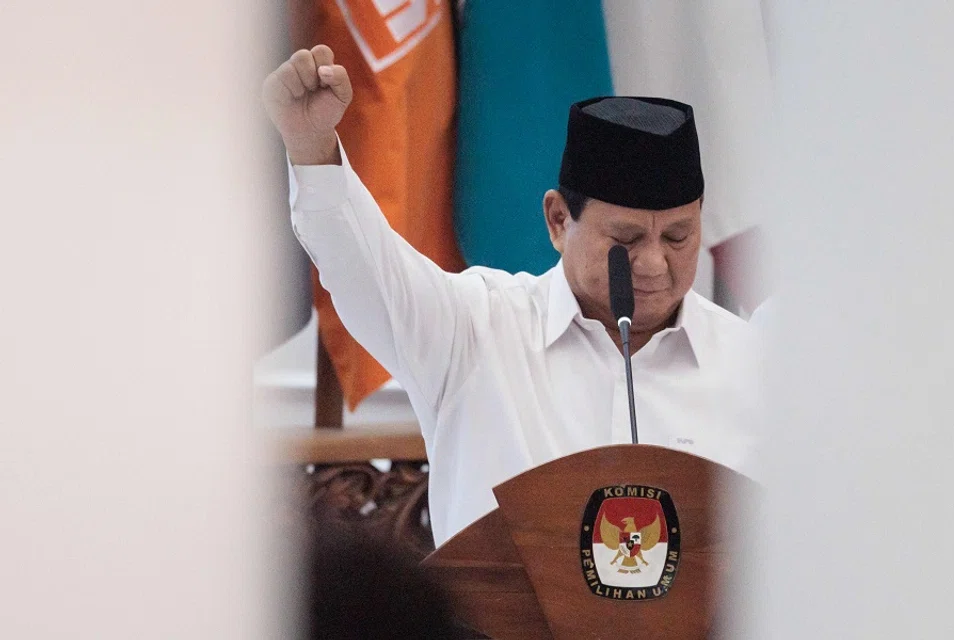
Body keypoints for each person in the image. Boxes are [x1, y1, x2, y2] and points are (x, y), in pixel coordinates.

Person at [262, 45, 760, 546]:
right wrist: (312, 148)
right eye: (625, 241)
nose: (654, 264)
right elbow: (368, 272)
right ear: (559, 220)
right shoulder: (475, 328)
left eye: (677, 237)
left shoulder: (753, 365)